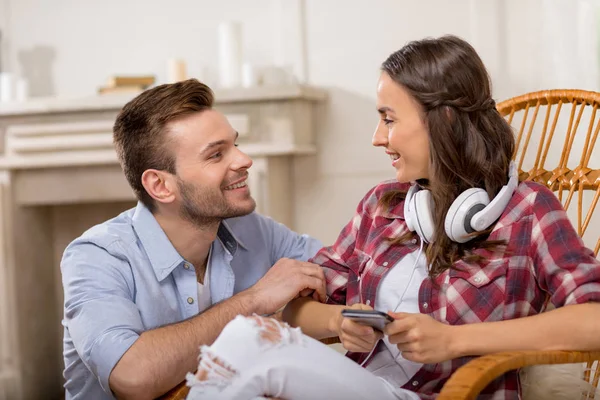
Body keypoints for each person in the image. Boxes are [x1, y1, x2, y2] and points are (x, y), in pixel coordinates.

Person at [183, 35, 600, 400]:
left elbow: (593, 319)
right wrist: (336, 321)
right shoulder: (382, 205)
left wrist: (455, 341)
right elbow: (297, 305)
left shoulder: (528, 210)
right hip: (367, 386)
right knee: (246, 345)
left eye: (389, 118)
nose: (377, 137)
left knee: (248, 339)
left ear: (444, 119)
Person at [60, 79, 326, 400]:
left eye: (235, 145)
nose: (244, 160)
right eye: (216, 155)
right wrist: (253, 301)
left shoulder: (252, 229)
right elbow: (132, 376)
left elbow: (341, 269)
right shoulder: (97, 256)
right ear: (160, 185)